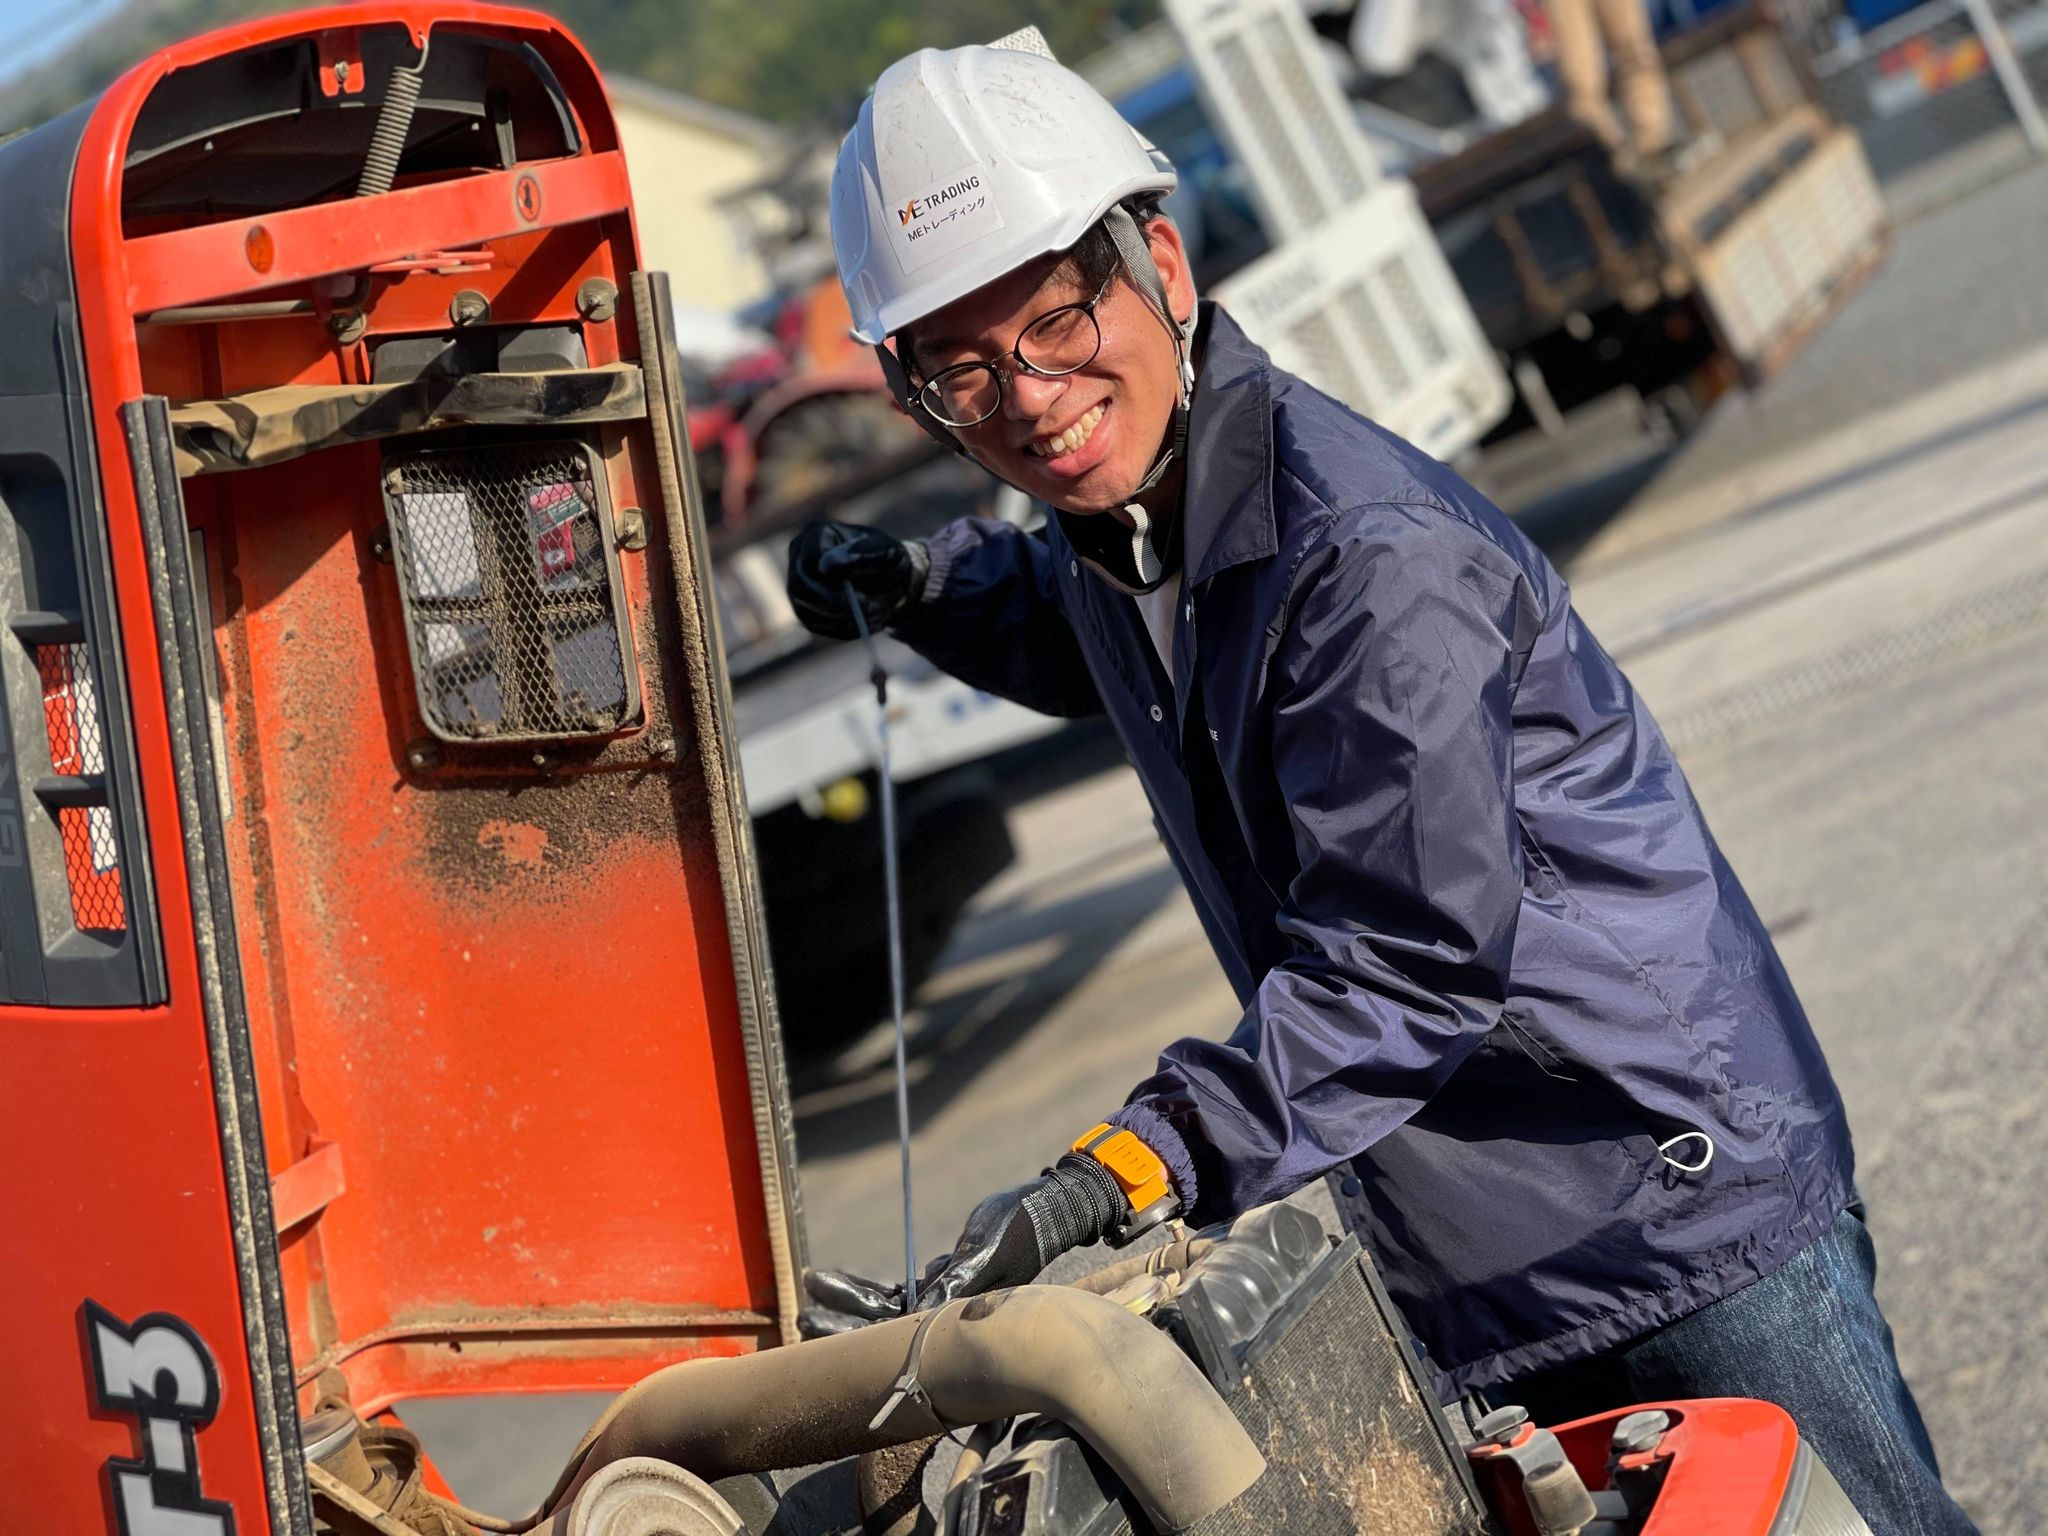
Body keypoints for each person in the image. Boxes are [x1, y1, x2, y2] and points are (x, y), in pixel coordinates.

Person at [789, 36, 1974, 1535]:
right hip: (1472, 1236)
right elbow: (1078, 624)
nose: (1028, 397)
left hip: (1662, 1205)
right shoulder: (1136, 517)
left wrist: (1132, 1161)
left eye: (1053, 317)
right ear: (910, 391)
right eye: (960, 367)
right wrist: (916, 581)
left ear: (1157, 258)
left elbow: (1405, 958)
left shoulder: (1360, 556)